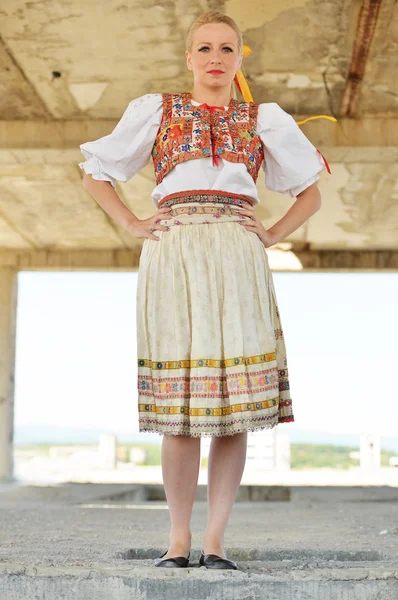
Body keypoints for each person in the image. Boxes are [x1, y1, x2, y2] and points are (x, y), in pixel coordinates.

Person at [78, 10, 334, 571]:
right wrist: (132, 222)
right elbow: (96, 171)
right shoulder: (158, 110)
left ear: (241, 59)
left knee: (233, 407)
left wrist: (269, 235)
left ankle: (215, 539)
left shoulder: (263, 117)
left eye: (226, 49)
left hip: (237, 252)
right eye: (205, 49)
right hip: (174, 250)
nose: (215, 58)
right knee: (179, 408)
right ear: (189, 58)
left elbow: (310, 194)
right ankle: (178, 537)